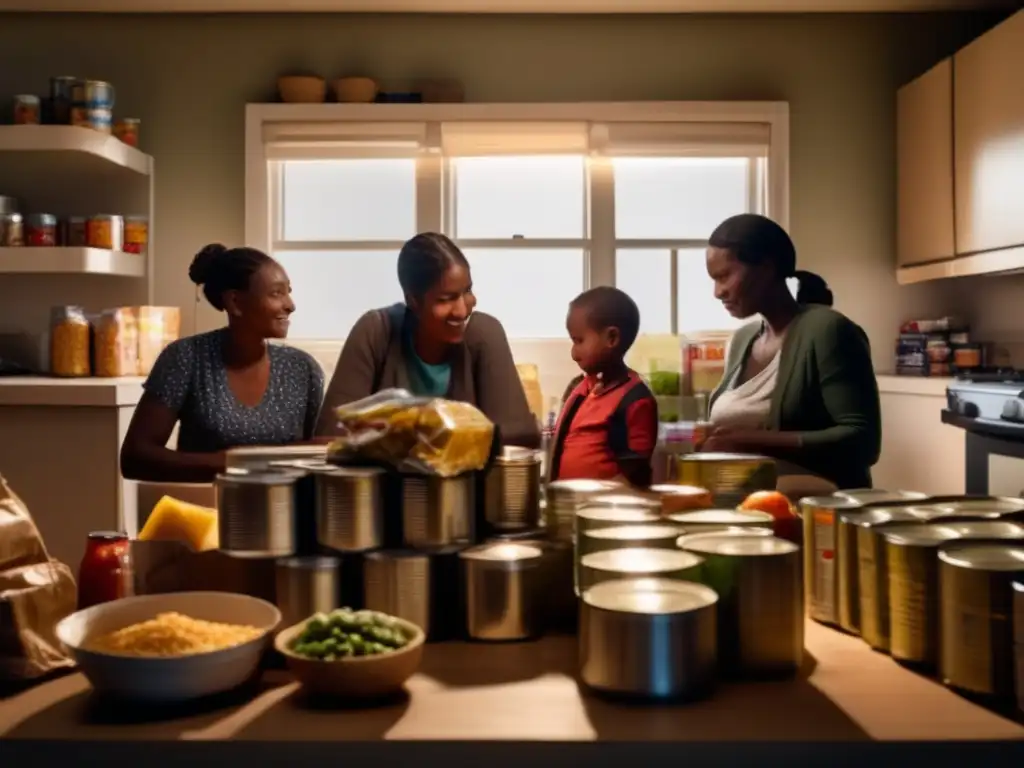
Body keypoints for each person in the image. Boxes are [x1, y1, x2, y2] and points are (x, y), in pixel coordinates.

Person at [701, 213, 881, 490]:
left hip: (813, 512)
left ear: (766, 266)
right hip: (744, 506)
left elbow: (862, 440)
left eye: (724, 276)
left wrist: (747, 440)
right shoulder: (743, 339)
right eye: (714, 279)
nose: (718, 292)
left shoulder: (828, 331)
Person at [120, 244, 325, 483]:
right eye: (276, 293)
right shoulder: (185, 358)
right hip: (204, 511)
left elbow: (316, 458)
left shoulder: (303, 369)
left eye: (288, 292)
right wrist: (234, 463)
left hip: (283, 512)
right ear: (235, 302)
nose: (290, 305)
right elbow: (135, 458)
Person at [315, 233, 540, 448]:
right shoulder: (375, 332)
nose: (461, 310)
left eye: (467, 291)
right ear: (413, 300)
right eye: (446, 299)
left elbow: (517, 440)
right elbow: (330, 436)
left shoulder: (484, 334)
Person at [548, 287, 659, 488]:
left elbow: (634, 476)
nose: (573, 353)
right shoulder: (579, 388)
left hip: (604, 512)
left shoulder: (634, 400)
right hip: (567, 507)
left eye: (579, 341)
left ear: (612, 338)